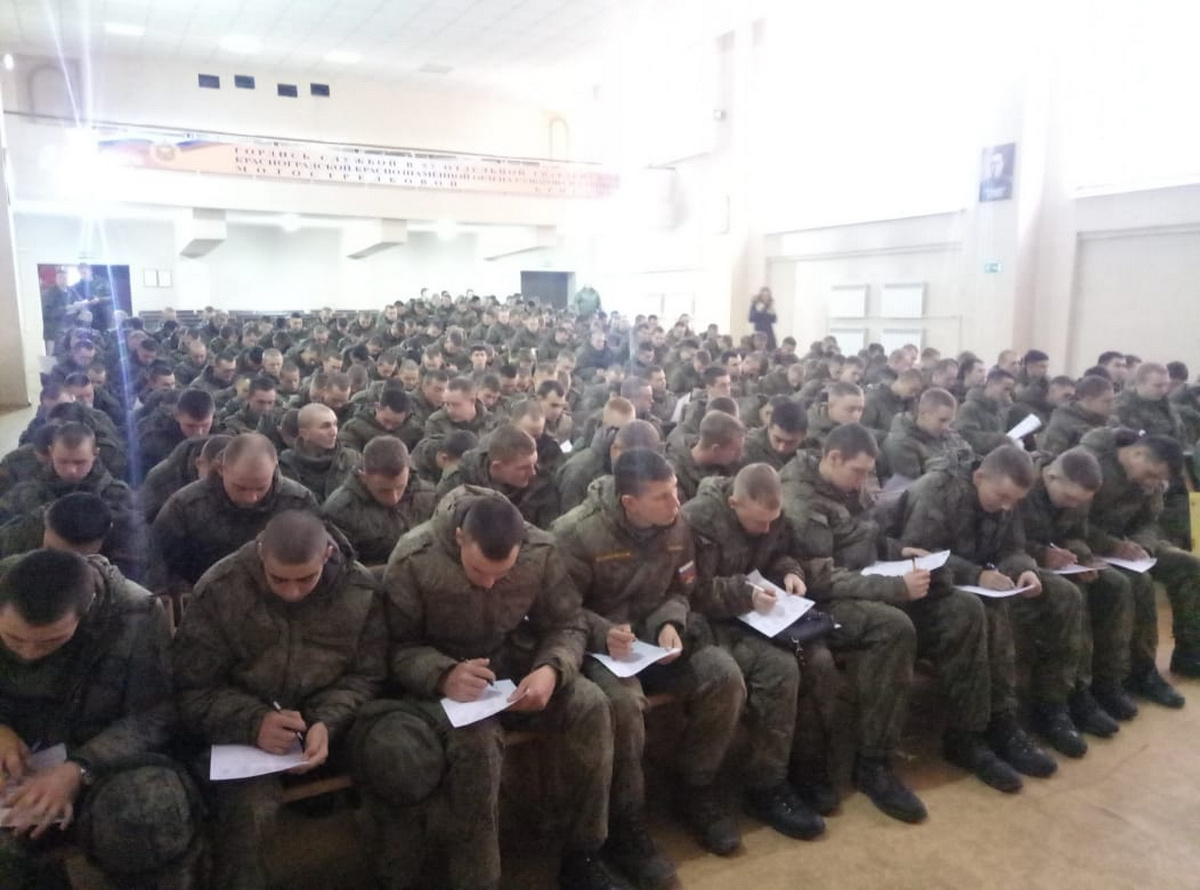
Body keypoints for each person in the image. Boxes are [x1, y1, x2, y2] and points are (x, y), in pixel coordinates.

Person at [364, 488, 621, 889]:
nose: (488, 583)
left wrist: (552, 669)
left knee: (591, 704)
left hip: (516, 667)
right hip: (448, 686)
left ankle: (584, 852)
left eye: (502, 575)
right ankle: (478, 878)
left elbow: (568, 623)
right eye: (478, 570)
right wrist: (443, 674)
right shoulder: (415, 557)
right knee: (477, 746)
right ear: (460, 538)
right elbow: (395, 648)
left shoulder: (539, 549)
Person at [553, 450, 747, 875]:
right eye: (662, 496)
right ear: (629, 502)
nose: (676, 503)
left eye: (675, 491)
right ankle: (626, 821)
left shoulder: (677, 524)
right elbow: (560, 611)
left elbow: (681, 589)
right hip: (601, 648)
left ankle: (694, 788)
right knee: (624, 707)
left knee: (724, 676)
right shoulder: (575, 534)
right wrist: (604, 631)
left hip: (655, 640)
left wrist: (669, 623)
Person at [172, 511, 386, 890]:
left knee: (401, 754)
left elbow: (366, 674)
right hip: (245, 732)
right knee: (246, 809)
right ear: (260, 551)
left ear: (328, 554)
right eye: (279, 579)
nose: (291, 592)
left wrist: (327, 720)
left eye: (305, 579)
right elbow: (192, 690)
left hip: (331, 723)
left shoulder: (358, 590)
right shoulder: (221, 589)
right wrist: (253, 722)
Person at [0, 549, 203, 888]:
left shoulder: (136, 614)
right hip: (17, 765)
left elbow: (154, 714)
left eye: (49, 642)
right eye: (13, 639)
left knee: (149, 814)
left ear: (87, 610)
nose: (28, 653)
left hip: (105, 761)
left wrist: (78, 769)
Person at [780, 424, 927, 821]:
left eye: (867, 472)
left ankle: (972, 731)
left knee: (947, 599)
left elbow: (861, 537)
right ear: (832, 458)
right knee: (893, 627)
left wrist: (896, 551)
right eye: (858, 471)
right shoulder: (801, 497)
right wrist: (894, 586)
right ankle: (873, 763)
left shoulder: (845, 485)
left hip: (859, 582)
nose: (864, 481)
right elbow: (819, 578)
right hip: (817, 602)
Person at [895, 444, 1059, 789]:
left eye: (1014, 501)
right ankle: (965, 734)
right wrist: (976, 575)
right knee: (969, 610)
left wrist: (1024, 569)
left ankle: (1002, 721)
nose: (1007, 506)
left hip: (964, 587)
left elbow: (1012, 547)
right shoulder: (937, 491)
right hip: (918, 591)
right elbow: (918, 554)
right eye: (1002, 497)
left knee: (997, 607)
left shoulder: (1003, 497)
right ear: (979, 476)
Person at [682, 465, 829, 835]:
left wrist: (791, 572)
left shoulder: (772, 517)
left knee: (783, 668)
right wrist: (744, 593)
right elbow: (689, 591)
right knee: (725, 680)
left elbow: (778, 553)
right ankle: (695, 788)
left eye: (771, 521)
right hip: (702, 625)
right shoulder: (697, 521)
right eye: (759, 522)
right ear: (735, 503)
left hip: (750, 619)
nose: (766, 529)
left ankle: (767, 783)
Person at [1018, 448, 1139, 733]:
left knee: (1116, 585)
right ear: (1051, 476)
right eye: (1069, 498)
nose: (1073, 504)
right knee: (1072, 595)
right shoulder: (1022, 486)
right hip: (1023, 565)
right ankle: (1056, 700)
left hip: (1060, 563)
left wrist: (1081, 556)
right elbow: (1007, 541)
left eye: (1080, 501)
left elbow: (1076, 534)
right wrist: (1042, 555)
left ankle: (1104, 683)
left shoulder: (1078, 496)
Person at [1079, 428, 1196, 704]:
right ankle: (1138, 670)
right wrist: (1112, 546)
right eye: (1151, 474)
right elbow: (1071, 521)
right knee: (1138, 583)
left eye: (1159, 479)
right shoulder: (1092, 464)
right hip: (1087, 547)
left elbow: (1149, 522)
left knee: (1189, 566)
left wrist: (1142, 545)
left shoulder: (1150, 482)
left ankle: (1190, 652)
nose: (1152, 482)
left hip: (1128, 548)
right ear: (1138, 453)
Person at [148, 434, 318, 591]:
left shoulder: (298, 503)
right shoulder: (185, 507)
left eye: (260, 488)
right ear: (221, 469)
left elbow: (317, 558)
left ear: (274, 469)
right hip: (208, 598)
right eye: (240, 487)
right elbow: (160, 568)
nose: (251, 497)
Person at [0, 423, 139, 578]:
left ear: (95, 453)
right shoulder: (27, 492)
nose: (71, 470)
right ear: (51, 452)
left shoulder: (117, 496)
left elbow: (131, 553)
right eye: (63, 461)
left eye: (80, 462)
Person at [321, 436, 436, 566]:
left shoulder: (428, 495)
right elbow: (343, 568)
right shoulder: (340, 510)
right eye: (384, 491)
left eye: (400, 487)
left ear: (408, 472)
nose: (394, 498)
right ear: (363, 477)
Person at [435, 424, 559, 528]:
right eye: (523, 468)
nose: (533, 472)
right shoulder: (457, 481)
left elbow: (547, 532)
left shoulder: (542, 485)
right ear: (497, 467)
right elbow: (441, 529)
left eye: (534, 463)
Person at [882, 387, 975, 480]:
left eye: (950, 422)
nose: (946, 427)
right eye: (942, 420)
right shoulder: (901, 443)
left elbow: (970, 457)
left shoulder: (949, 435)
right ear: (923, 414)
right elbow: (912, 485)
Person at [279, 404, 363, 502]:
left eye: (335, 424)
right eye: (325, 427)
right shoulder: (286, 465)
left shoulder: (352, 459)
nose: (334, 432)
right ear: (305, 434)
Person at [135, 389, 216, 484]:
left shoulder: (220, 435)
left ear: (212, 416)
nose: (199, 432)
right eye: (190, 426)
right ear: (177, 416)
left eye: (205, 425)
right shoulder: (154, 442)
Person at [665, 409, 746, 502]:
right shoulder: (676, 474)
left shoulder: (728, 464)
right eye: (735, 450)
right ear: (716, 449)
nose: (740, 454)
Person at [1039, 375, 1115, 456]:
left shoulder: (1111, 421)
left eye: (1112, 400)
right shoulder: (1063, 422)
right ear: (1089, 400)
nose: (1112, 406)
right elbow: (1051, 456)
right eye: (1107, 401)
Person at [738, 398, 809, 470]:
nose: (781, 448)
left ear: (804, 435)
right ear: (769, 427)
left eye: (790, 442)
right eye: (777, 439)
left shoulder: (810, 449)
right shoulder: (746, 449)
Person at [338, 387, 414, 453]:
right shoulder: (354, 428)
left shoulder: (413, 431)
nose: (389, 427)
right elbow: (347, 455)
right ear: (377, 408)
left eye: (396, 423)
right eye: (386, 421)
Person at [423, 376, 493, 440]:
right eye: (447, 404)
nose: (450, 410)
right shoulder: (437, 422)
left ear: (472, 401)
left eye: (455, 405)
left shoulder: (492, 422)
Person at [860, 370, 924, 435]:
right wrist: (889, 436)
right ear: (902, 381)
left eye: (916, 392)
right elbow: (863, 429)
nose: (913, 395)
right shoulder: (873, 399)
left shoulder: (910, 403)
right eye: (912, 390)